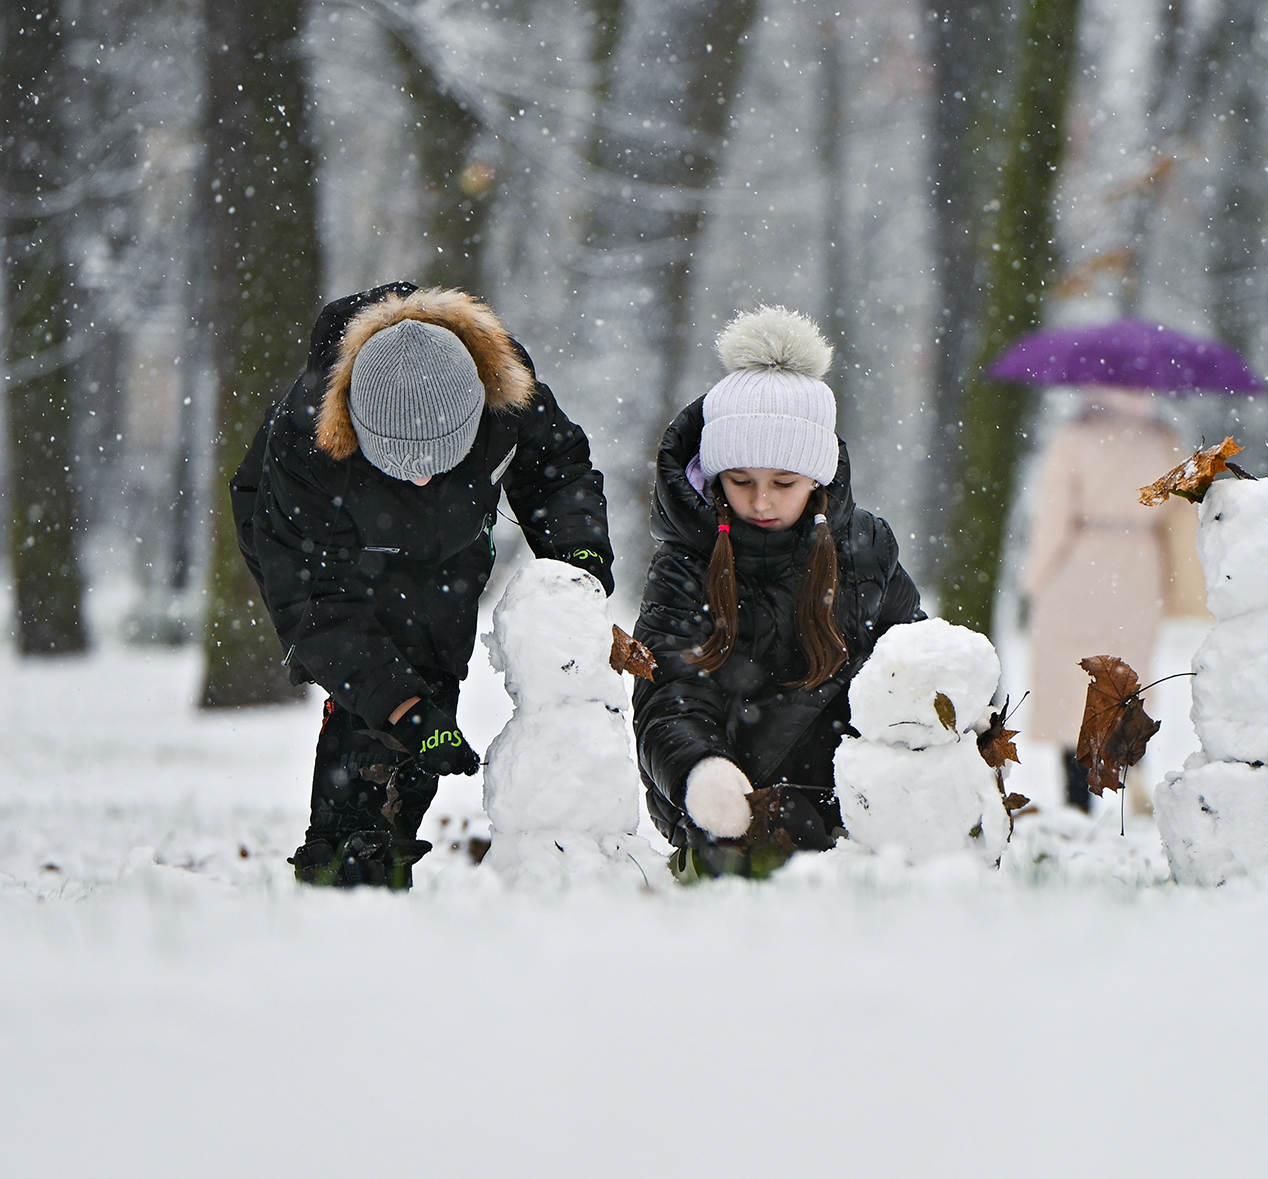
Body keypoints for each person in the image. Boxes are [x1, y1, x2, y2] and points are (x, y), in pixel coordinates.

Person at [234, 282, 613, 888]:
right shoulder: (307, 440)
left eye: (440, 454)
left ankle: (395, 824)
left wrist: (580, 564)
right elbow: (315, 602)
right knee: (375, 698)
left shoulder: (507, 392)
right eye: (402, 459)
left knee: (434, 677)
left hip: (451, 553)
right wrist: (401, 708)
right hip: (330, 551)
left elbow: (558, 472)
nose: (421, 475)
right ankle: (346, 851)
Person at [630, 305, 923, 877]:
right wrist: (703, 773)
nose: (761, 502)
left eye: (783, 483)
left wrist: (947, 699)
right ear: (714, 478)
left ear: (816, 477)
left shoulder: (866, 546)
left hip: (854, 797)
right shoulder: (685, 565)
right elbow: (669, 695)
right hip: (727, 805)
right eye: (741, 482)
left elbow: (907, 653)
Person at [1020, 387, 1200, 809]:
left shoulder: (1074, 438)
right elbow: (1181, 514)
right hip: (1141, 568)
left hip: (1080, 561)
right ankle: (1131, 773)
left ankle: (1077, 795)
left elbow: (1053, 516)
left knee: (1073, 682)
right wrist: (1181, 583)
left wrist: (1036, 577)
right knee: (1125, 677)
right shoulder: (1164, 439)